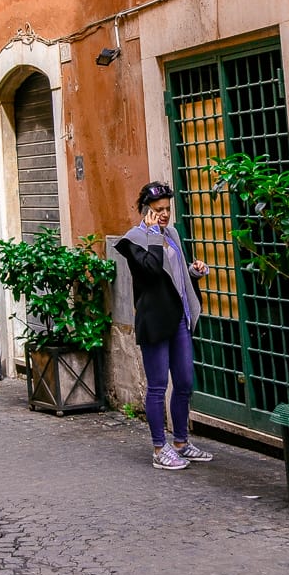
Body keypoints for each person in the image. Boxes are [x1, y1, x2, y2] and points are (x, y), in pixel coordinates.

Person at [116, 181, 213, 471]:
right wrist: (155, 235)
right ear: (146, 211)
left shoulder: (172, 234)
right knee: (158, 387)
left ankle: (181, 442)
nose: (164, 215)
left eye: (168, 209)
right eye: (158, 210)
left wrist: (193, 273)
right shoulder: (132, 240)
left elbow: (174, 275)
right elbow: (152, 270)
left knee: (184, 382)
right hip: (155, 321)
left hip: (179, 318)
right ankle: (160, 448)